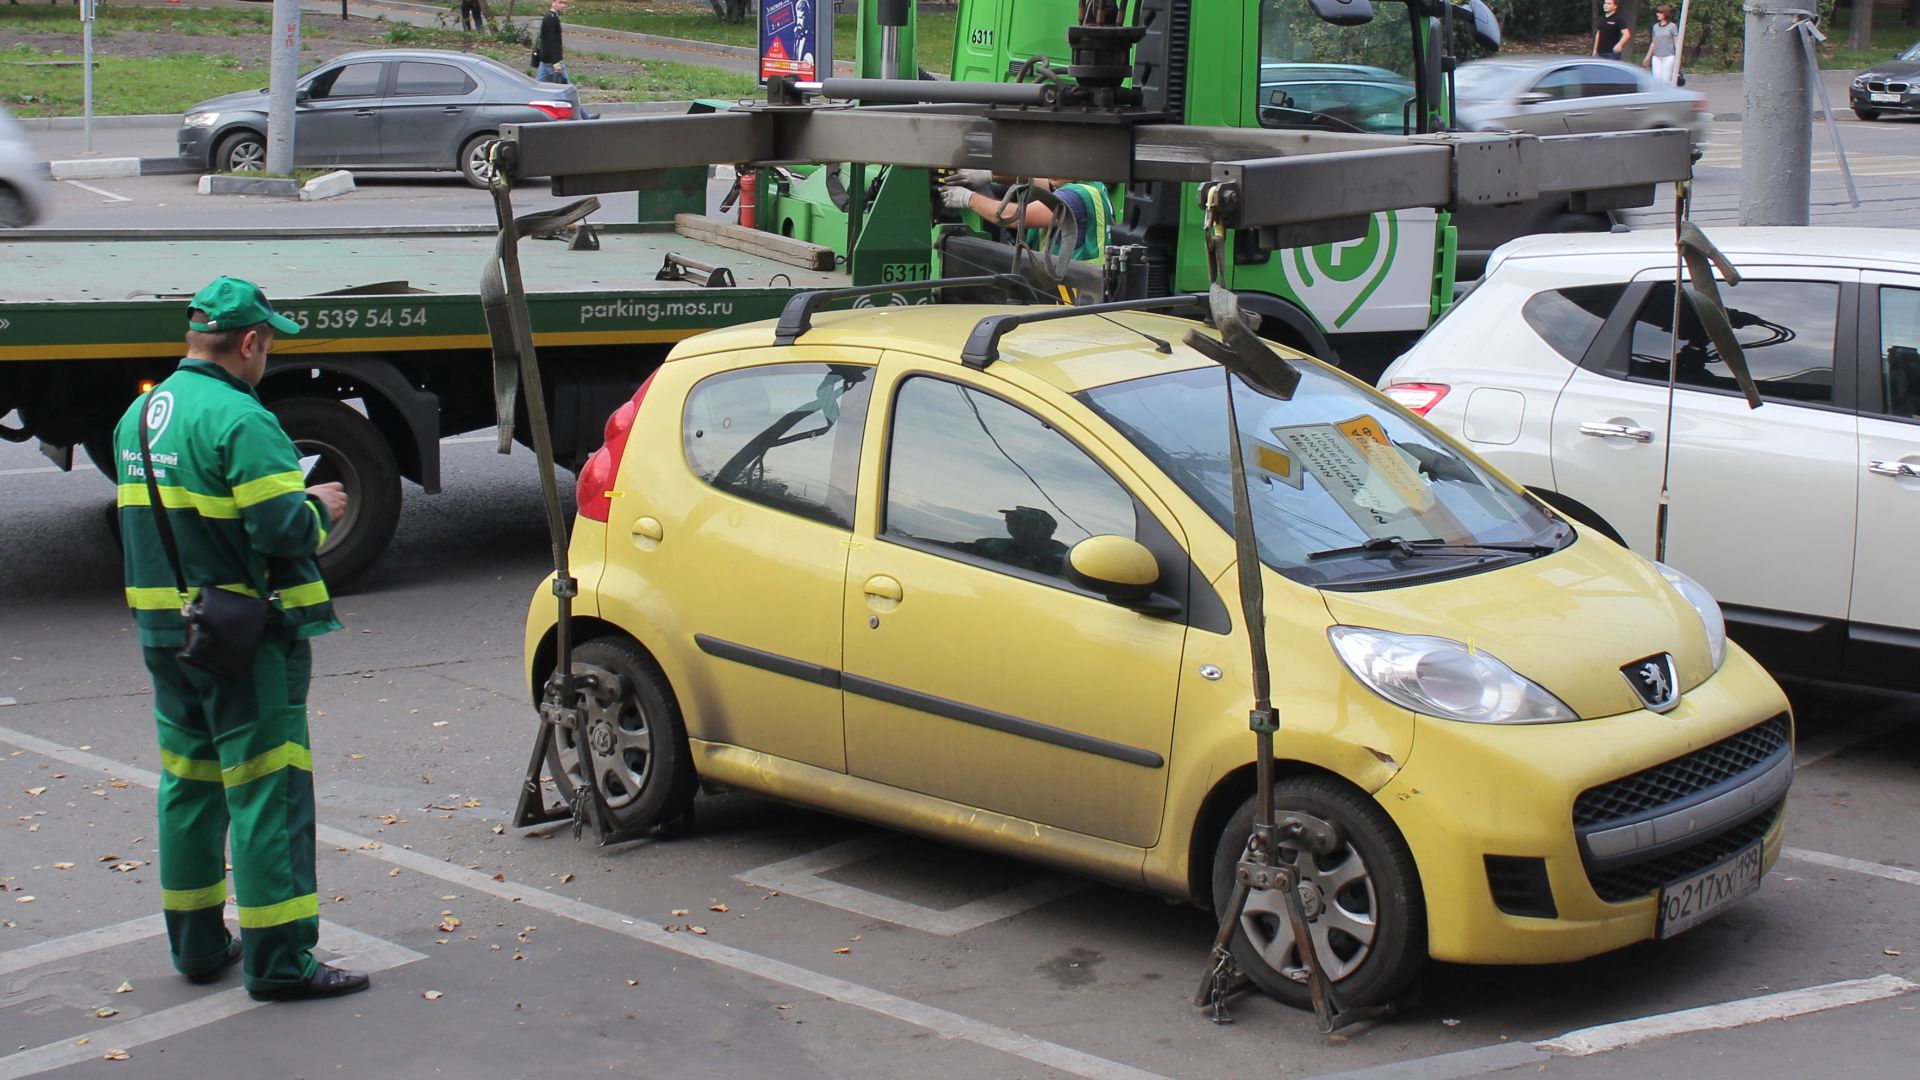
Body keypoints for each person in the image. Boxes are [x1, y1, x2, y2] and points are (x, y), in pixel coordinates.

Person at [113, 277, 367, 1002]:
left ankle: (197, 948)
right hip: (241, 639)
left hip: (167, 634)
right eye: (270, 342)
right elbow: (280, 530)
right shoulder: (240, 418)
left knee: (189, 789)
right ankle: (280, 961)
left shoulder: (138, 415)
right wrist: (316, 505)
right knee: (267, 795)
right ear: (250, 342)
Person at [941, 172, 1113, 263]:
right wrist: (989, 175)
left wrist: (968, 198)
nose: (1051, 169)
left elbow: (1014, 217)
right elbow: (1039, 181)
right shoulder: (1092, 185)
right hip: (1082, 282)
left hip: (1071, 288)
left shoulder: (1074, 197)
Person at [968, 506, 1071, 575]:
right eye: (1010, 521)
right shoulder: (990, 544)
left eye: (1021, 523)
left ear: (1043, 529)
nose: (1013, 526)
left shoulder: (1065, 559)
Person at [1644, 4, 1681, 85]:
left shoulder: (1672, 26)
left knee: (1665, 80)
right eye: (1657, 13)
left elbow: (1676, 42)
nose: (1658, 14)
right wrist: (1648, 57)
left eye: (1660, 13)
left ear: (1665, 13)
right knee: (1657, 80)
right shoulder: (1655, 27)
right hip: (1657, 56)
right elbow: (1654, 42)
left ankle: (1668, 96)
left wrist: (1679, 57)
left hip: (1668, 56)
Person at [535, 0, 569, 84]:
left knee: (538, 85)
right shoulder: (551, 18)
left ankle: (528, 96)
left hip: (546, 59)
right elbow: (550, 41)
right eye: (560, 2)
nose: (563, 5)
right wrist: (556, 62)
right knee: (566, 87)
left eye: (565, 3)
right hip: (552, 60)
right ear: (552, 2)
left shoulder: (552, 16)